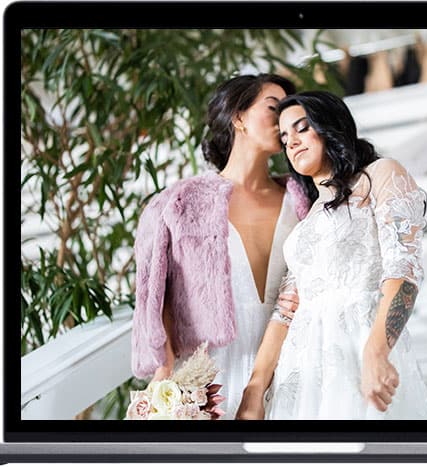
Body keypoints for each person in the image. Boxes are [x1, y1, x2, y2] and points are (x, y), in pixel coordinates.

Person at [236, 91, 427, 420]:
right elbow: (285, 311)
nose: (291, 142)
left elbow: (404, 271)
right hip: (301, 373)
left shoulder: (381, 175)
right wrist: (255, 388)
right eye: (284, 138)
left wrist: (377, 351)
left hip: (360, 349)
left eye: (302, 128)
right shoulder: (306, 222)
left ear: (330, 126)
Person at [131, 74, 311, 419]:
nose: (284, 120)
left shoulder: (304, 198)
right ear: (238, 117)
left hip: (294, 371)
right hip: (211, 384)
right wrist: (165, 374)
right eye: (273, 108)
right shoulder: (178, 203)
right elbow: (155, 295)